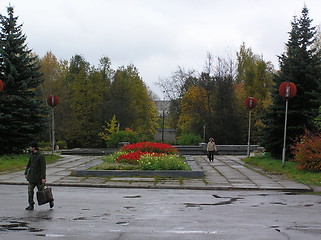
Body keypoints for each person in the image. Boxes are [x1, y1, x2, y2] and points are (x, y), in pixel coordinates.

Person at [24, 142, 54, 210]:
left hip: (39, 178)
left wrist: (43, 178)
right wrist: (26, 173)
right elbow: (28, 165)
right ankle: (31, 204)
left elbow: (43, 167)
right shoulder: (32, 155)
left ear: (34, 148)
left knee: (42, 192)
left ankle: (50, 200)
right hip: (31, 177)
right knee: (30, 191)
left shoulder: (40, 156)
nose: (30, 148)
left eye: (31, 147)